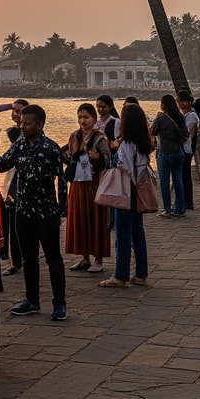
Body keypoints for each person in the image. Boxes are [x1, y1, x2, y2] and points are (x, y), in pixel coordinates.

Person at [1, 104, 68, 321]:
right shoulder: (19, 145)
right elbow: (2, 163)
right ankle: (32, 300)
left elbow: (62, 180)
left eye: (27, 123)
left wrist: (61, 210)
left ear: (39, 125)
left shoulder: (50, 148)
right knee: (29, 259)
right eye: (21, 122)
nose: (22, 126)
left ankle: (59, 304)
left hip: (46, 212)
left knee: (53, 259)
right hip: (23, 212)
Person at [101, 101, 151, 289]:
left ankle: (120, 275)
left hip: (124, 190)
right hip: (137, 188)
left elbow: (124, 167)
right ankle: (140, 273)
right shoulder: (143, 143)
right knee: (138, 232)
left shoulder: (126, 144)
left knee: (122, 234)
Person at [62, 103, 111, 274]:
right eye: (80, 117)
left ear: (94, 119)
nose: (82, 121)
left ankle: (98, 259)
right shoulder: (74, 136)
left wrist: (96, 157)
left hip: (94, 183)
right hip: (78, 184)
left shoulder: (100, 138)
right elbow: (68, 156)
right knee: (80, 219)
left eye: (86, 117)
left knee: (96, 220)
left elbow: (107, 161)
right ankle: (84, 257)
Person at [1, 99, 29, 275]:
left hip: (26, 183)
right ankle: (15, 260)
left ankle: (24, 259)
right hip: (13, 181)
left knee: (23, 224)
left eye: (19, 111)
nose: (15, 114)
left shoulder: (27, 134)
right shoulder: (14, 133)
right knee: (12, 220)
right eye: (13, 111)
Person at [151, 95, 189, 217]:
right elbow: (186, 134)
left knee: (164, 182)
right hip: (179, 152)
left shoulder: (161, 118)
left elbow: (152, 131)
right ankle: (180, 208)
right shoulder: (180, 117)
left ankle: (167, 210)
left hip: (165, 153)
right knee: (178, 181)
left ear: (163, 105)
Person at [175, 89, 198, 211]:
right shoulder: (183, 115)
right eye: (179, 101)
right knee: (183, 176)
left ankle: (188, 201)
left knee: (185, 176)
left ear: (188, 102)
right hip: (182, 148)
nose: (180, 104)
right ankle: (185, 200)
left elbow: (187, 133)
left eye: (181, 101)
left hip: (186, 149)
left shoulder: (192, 116)